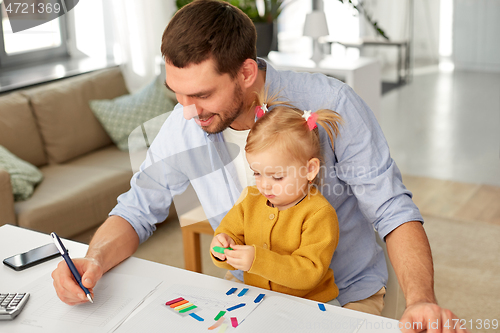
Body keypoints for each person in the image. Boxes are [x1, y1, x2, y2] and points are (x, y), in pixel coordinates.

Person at [51, 1, 469, 332]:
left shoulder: (331, 103)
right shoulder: (189, 121)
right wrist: (95, 260)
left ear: (246, 72)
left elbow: (392, 209)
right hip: (252, 294)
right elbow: (137, 208)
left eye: (200, 95)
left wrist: (420, 299)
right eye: (176, 94)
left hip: (344, 293)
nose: (186, 112)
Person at [210, 92, 342, 305]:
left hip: (312, 304)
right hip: (259, 299)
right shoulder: (250, 199)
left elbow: (309, 272)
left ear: (310, 169)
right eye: (257, 173)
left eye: (277, 176)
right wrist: (223, 246)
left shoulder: (319, 214)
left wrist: (257, 260)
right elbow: (228, 232)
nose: (264, 184)